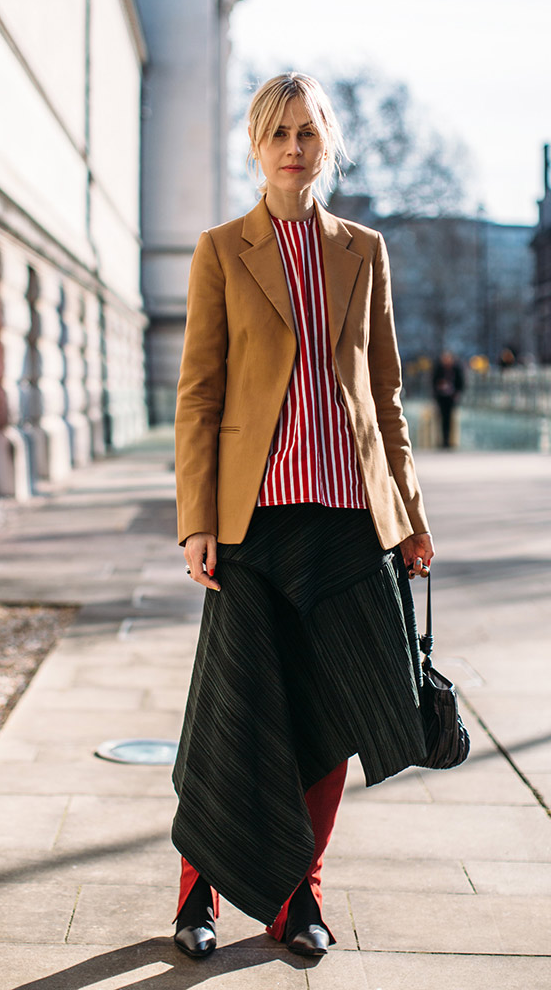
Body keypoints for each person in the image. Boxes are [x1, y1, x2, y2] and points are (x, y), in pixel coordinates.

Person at [172, 72, 435, 961]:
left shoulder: (363, 250)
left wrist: (408, 514)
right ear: (256, 143)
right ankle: (197, 888)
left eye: (307, 133)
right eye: (278, 132)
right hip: (252, 524)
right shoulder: (220, 249)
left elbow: (385, 394)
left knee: (338, 712)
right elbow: (199, 395)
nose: (293, 147)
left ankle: (299, 896)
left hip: (349, 521)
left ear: (327, 145)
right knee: (235, 713)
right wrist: (195, 520)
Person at [432, 350, 465, 448]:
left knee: (450, 419)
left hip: (451, 397)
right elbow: (433, 382)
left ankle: (449, 441)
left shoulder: (456, 369)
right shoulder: (439, 369)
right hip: (441, 397)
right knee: (441, 419)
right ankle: (442, 441)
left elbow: (461, 382)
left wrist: (456, 393)